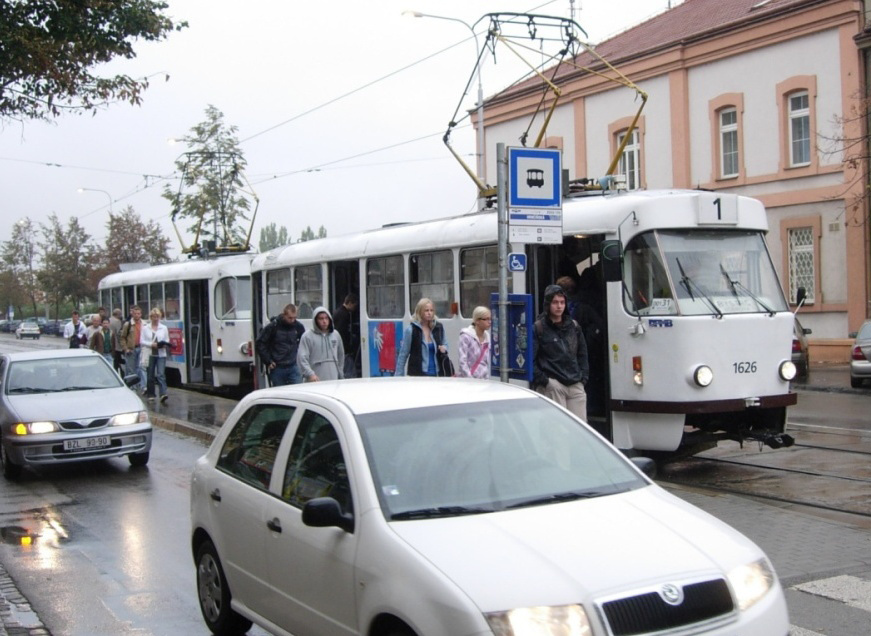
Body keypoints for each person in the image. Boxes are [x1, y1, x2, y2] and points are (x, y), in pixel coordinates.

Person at [532, 284, 589, 422]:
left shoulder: (574, 326)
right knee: (557, 427)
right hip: (553, 384)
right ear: (548, 304)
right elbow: (530, 360)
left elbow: (582, 354)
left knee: (580, 428)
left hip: (575, 383)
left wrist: (583, 378)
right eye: (555, 302)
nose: (559, 306)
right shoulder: (539, 328)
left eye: (562, 302)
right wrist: (545, 381)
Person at [395, 298, 451, 377]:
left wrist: (444, 348)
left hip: (437, 374)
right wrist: (398, 376)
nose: (429, 313)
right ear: (420, 312)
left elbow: (445, 344)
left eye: (431, 310)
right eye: (426, 310)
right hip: (418, 375)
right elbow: (403, 354)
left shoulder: (438, 327)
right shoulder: (411, 330)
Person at [255, 303, 306, 386]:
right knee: (280, 394)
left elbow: (304, 342)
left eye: (294, 318)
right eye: (290, 318)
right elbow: (260, 343)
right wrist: (268, 360)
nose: (292, 320)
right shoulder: (273, 326)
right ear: (284, 315)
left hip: (293, 365)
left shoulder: (298, 326)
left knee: (298, 391)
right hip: (277, 367)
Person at [298, 306, 344, 382]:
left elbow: (341, 355)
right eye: (321, 319)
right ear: (315, 320)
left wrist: (340, 372)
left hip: (333, 378)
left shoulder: (335, 335)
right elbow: (302, 358)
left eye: (326, 318)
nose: (324, 321)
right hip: (315, 379)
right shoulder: (307, 336)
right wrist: (310, 374)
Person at [140, 307, 169, 403]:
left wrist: (164, 344)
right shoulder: (145, 328)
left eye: (157, 317)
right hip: (150, 354)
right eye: (154, 317)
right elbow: (142, 341)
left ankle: (163, 394)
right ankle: (151, 394)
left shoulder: (163, 328)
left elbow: (167, 339)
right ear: (150, 317)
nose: (156, 319)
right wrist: (151, 344)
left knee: (161, 374)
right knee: (150, 374)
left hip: (161, 354)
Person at [457, 306, 491, 379]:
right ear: (477, 321)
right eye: (486, 319)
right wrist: (470, 379)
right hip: (469, 381)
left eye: (490, 319)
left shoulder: (488, 338)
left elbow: (486, 363)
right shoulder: (466, 336)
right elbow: (462, 361)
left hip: (484, 381)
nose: (489, 322)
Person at [332, 293, 359, 378]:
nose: (354, 309)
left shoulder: (338, 311)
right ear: (350, 303)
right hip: (344, 348)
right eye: (354, 306)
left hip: (342, 347)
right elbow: (342, 332)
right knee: (349, 369)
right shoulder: (344, 315)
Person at [120, 306, 145, 388]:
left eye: (138, 314)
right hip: (131, 349)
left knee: (140, 368)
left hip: (141, 348)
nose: (137, 315)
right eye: (135, 314)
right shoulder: (128, 324)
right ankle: (132, 387)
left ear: (141, 314)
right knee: (131, 369)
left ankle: (141, 386)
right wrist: (125, 348)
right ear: (132, 315)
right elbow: (122, 337)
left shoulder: (144, 324)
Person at [109, 308, 125, 374]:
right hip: (117, 346)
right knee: (119, 362)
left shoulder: (109, 320)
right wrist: (122, 345)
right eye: (120, 314)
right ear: (118, 314)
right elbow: (119, 334)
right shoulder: (117, 322)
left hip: (110, 345)